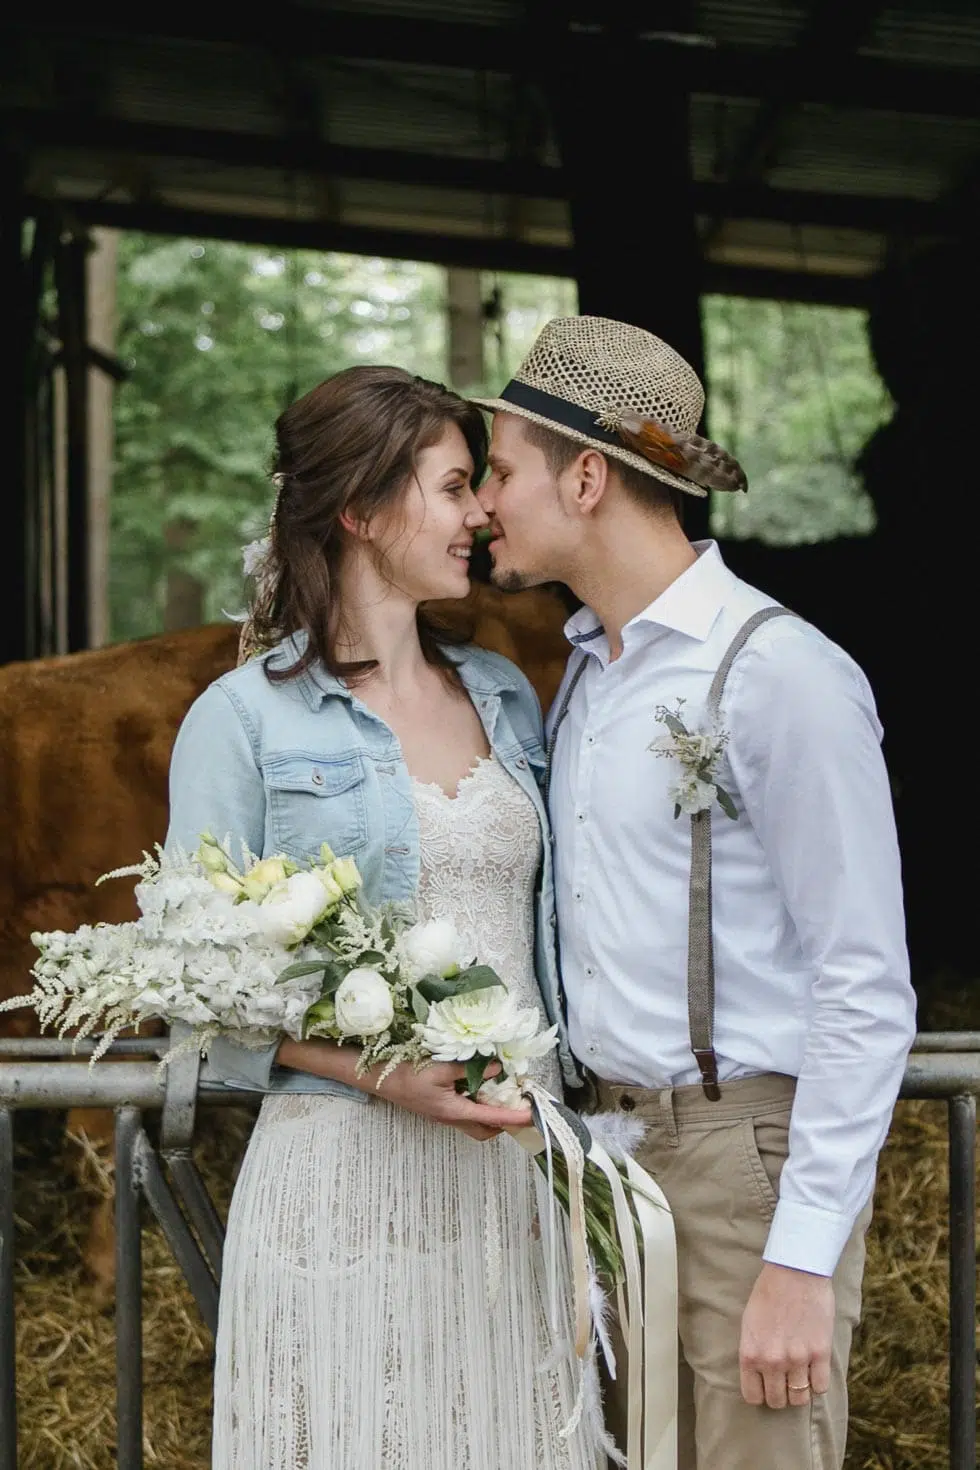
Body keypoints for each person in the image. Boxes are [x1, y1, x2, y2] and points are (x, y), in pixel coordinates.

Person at [472, 316, 917, 1470]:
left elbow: (863, 983)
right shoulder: (584, 671)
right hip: (604, 1158)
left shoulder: (781, 676)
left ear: (583, 478)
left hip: (743, 1166)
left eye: (500, 470)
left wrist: (800, 1258)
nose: (481, 503)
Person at [165, 366, 606, 1470]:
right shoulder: (240, 720)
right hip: (346, 1180)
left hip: (520, 1174)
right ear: (359, 511)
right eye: (454, 487)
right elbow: (192, 996)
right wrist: (381, 1075)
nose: (478, 514)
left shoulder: (505, 694)